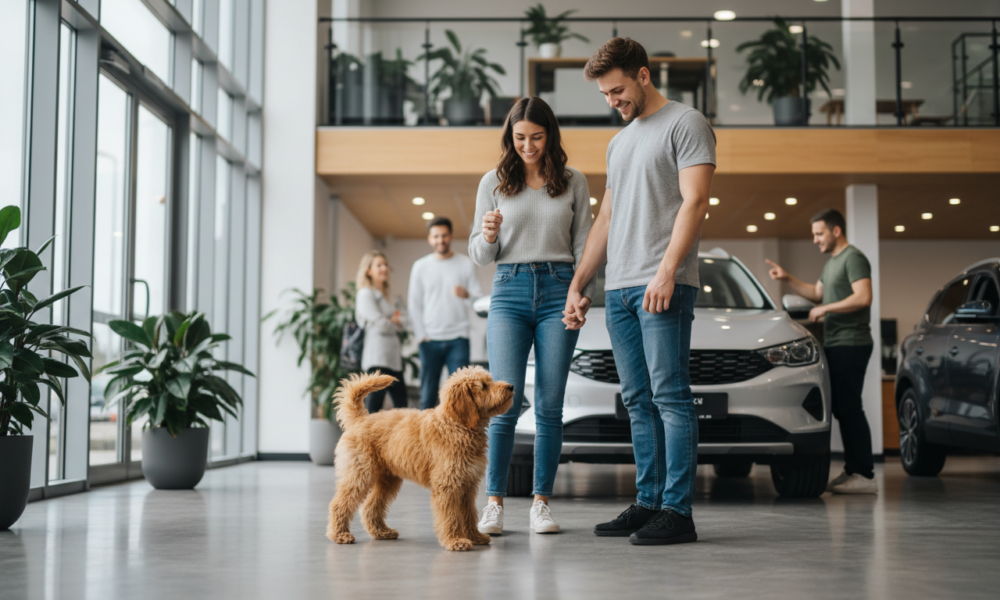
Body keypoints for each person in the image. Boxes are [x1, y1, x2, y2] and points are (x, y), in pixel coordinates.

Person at [563, 37, 716, 546]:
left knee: (670, 396)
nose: (613, 101)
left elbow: (695, 202)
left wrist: (668, 270)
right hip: (621, 289)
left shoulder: (686, 123)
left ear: (644, 75)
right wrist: (580, 284)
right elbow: (606, 217)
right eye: (605, 95)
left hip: (661, 284)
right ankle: (649, 501)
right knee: (637, 400)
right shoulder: (619, 142)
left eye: (618, 90)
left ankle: (677, 511)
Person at [469, 97, 595, 536]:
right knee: (502, 403)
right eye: (520, 137)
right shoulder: (494, 182)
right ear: (510, 137)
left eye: (537, 137)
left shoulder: (573, 181)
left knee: (549, 405)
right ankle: (494, 503)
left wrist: (582, 295)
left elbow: (584, 247)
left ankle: (541, 503)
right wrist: (488, 235)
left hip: (560, 288)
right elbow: (479, 254)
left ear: (550, 135)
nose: (528, 146)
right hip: (509, 289)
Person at [766, 209, 877, 495]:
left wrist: (826, 308)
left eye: (819, 233)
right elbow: (817, 293)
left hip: (852, 342)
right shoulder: (832, 263)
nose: (815, 239)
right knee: (842, 408)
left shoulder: (853, 258)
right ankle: (854, 470)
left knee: (850, 408)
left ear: (836, 231)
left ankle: (865, 474)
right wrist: (787, 277)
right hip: (837, 342)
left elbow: (864, 296)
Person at [408, 216, 483, 410]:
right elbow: (414, 304)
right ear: (429, 238)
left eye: (444, 235)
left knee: (460, 397)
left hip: (458, 339)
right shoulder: (420, 266)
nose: (440, 240)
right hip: (429, 340)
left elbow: (478, 300)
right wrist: (421, 336)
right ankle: (425, 432)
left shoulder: (465, 263)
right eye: (436, 236)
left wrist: (467, 295)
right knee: (427, 396)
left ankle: (458, 431)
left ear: (450, 236)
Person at [354, 250, 408, 413]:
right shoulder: (365, 294)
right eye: (379, 265)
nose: (384, 268)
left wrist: (394, 321)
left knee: (403, 409)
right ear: (368, 271)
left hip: (393, 360)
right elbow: (381, 324)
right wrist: (393, 322)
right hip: (377, 359)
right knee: (373, 409)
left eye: (385, 264)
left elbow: (404, 319)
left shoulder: (389, 296)